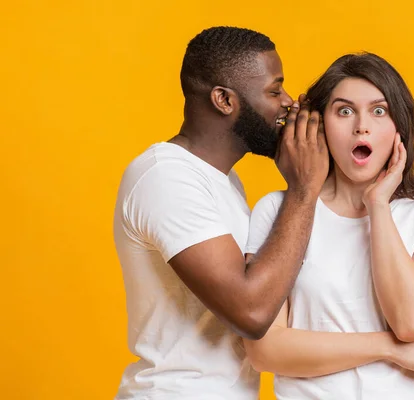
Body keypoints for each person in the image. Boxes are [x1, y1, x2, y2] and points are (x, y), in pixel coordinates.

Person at [112, 26, 329, 399]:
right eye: (274, 91)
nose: (289, 103)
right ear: (224, 100)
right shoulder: (166, 177)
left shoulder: (223, 183)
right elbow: (252, 312)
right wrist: (304, 189)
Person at [244, 52, 414, 399]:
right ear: (319, 123)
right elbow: (265, 351)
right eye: (345, 110)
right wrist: (390, 348)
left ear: (399, 126)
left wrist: (378, 205)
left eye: (379, 111)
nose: (361, 126)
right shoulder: (278, 211)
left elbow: (411, 322)